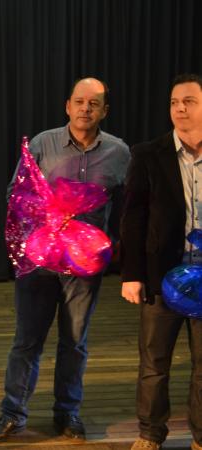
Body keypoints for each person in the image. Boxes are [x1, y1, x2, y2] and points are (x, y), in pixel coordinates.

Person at [0, 78, 130, 444]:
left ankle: (67, 414)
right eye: (79, 102)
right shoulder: (43, 144)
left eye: (94, 104)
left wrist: (111, 242)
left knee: (74, 342)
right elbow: (15, 193)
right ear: (68, 106)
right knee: (27, 341)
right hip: (40, 261)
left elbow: (128, 205)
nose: (85, 109)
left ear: (105, 111)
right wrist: (49, 214)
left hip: (85, 265)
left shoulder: (119, 152)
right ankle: (12, 414)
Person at [120, 73, 202, 450]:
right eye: (174, 102)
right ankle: (150, 433)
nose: (179, 108)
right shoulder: (148, 154)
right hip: (162, 276)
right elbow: (133, 218)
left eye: (189, 101)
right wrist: (132, 275)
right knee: (154, 364)